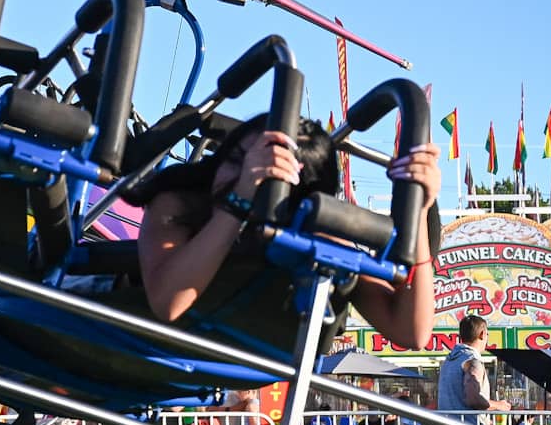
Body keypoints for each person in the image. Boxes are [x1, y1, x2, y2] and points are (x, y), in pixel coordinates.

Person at [133, 117, 440, 348]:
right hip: (147, 340)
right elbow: (168, 302)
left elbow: (412, 332)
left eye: (262, 174)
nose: (244, 176)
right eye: (235, 161)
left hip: (245, 358)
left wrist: (421, 211)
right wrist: (239, 199)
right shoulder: (178, 203)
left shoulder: (315, 237)